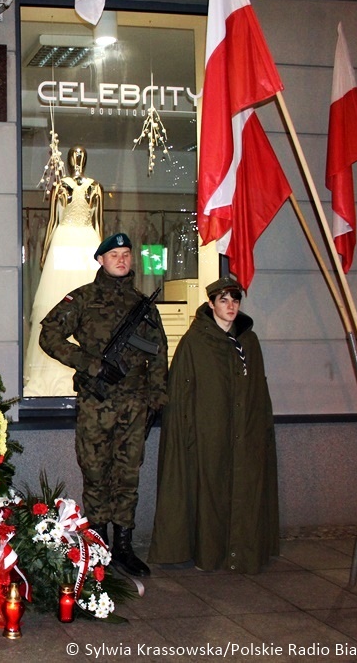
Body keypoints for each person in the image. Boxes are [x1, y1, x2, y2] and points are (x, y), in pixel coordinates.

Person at [38, 233, 168, 577]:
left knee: (127, 477)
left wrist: (158, 397)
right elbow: (48, 335)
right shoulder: (83, 299)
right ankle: (97, 547)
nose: (122, 260)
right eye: (114, 255)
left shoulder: (144, 304)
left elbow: (158, 353)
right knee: (95, 474)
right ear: (100, 260)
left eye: (126, 254)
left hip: (135, 406)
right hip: (97, 404)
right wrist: (92, 364)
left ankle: (123, 546)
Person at [148, 276, 279, 573]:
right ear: (210, 304)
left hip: (243, 433)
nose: (231, 306)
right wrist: (189, 434)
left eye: (235, 300)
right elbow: (181, 394)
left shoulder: (249, 342)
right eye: (224, 300)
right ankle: (210, 552)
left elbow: (259, 390)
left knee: (241, 488)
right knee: (210, 493)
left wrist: (259, 430)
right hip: (209, 433)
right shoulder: (195, 342)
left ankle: (240, 551)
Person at [24, 145, 104, 397]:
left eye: (80, 156)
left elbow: (99, 222)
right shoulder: (63, 186)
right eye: (75, 156)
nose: (77, 160)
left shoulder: (93, 186)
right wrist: (46, 253)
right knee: (58, 298)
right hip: (69, 240)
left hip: (82, 241)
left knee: (90, 302)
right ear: (70, 160)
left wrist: (103, 255)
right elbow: (52, 222)